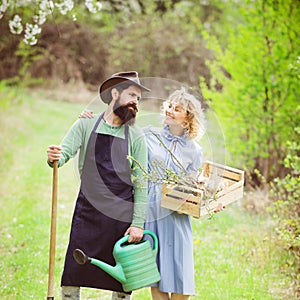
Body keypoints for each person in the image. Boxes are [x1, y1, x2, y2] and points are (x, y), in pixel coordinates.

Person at [80, 87, 224, 300]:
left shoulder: (194, 150)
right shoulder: (148, 135)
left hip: (177, 215)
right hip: (151, 211)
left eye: (177, 109)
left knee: (180, 274)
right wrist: (89, 122)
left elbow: (196, 184)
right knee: (155, 274)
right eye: (169, 106)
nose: (170, 111)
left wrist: (212, 200)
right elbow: (118, 130)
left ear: (188, 118)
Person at [46, 71, 150, 300]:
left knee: (122, 282)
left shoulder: (136, 136)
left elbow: (142, 183)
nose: (135, 102)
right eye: (131, 95)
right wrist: (54, 156)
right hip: (88, 213)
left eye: (139, 99)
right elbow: (63, 155)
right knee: (74, 274)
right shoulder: (85, 124)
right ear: (115, 93)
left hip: (121, 217)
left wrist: (138, 224)